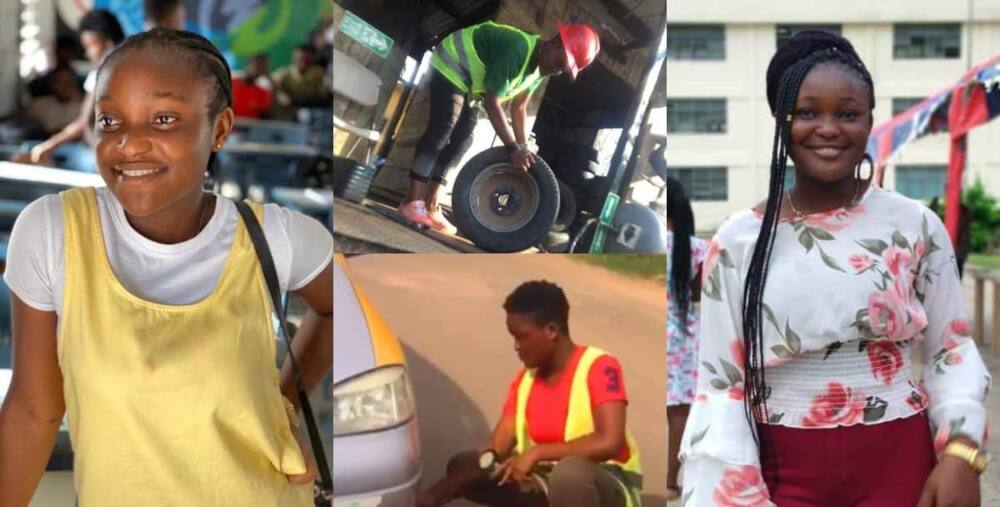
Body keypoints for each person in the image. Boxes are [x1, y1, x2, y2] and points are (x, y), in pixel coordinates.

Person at [0, 29, 333, 506]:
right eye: (110, 120)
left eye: (163, 118)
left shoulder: (275, 237)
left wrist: (285, 404)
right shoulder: (54, 232)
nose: (129, 143)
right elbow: (34, 410)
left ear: (219, 130)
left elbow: (340, 308)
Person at [679, 31, 990, 506]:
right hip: (779, 468)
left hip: (898, 460)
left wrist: (961, 452)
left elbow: (951, 348)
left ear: (869, 121)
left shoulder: (914, 225)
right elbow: (721, 385)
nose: (828, 128)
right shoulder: (738, 242)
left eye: (847, 113)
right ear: (782, 122)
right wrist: (733, 490)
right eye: (807, 112)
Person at [417, 280, 642, 507]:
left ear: (551, 330)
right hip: (547, 479)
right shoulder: (526, 379)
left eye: (522, 337)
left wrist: (538, 453)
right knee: (464, 465)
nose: (516, 346)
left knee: (570, 474)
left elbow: (610, 442)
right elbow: (496, 449)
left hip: (603, 485)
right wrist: (439, 491)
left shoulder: (599, 366)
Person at [397, 21, 600, 233]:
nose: (555, 69)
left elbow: (520, 107)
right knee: (444, 127)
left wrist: (523, 146)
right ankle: (412, 203)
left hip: (469, 84)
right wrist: (512, 148)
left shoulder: (540, 70)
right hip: (452, 62)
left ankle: (431, 206)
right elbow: (492, 103)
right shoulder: (518, 48)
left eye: (562, 69)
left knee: (464, 139)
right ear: (554, 43)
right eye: (559, 61)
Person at [10, 10, 124, 166]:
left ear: (108, 44)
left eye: (90, 46)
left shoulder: (104, 71)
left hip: (103, 158)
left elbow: (85, 121)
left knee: (33, 154)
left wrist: (49, 146)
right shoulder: (137, 66)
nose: (87, 53)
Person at [664, 178, 706, 501]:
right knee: (678, 412)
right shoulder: (696, 249)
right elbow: (695, 294)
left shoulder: (653, 240)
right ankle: (669, 480)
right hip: (681, 333)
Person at [25, 66, 85, 136]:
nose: (64, 87)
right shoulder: (39, 104)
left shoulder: (83, 106)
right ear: (53, 84)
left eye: (68, 83)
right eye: (60, 83)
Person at [233, 53, 274, 119]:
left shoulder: (262, 93)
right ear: (249, 63)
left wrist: (273, 85)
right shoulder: (231, 84)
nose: (261, 69)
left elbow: (268, 117)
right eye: (259, 64)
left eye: (264, 66)